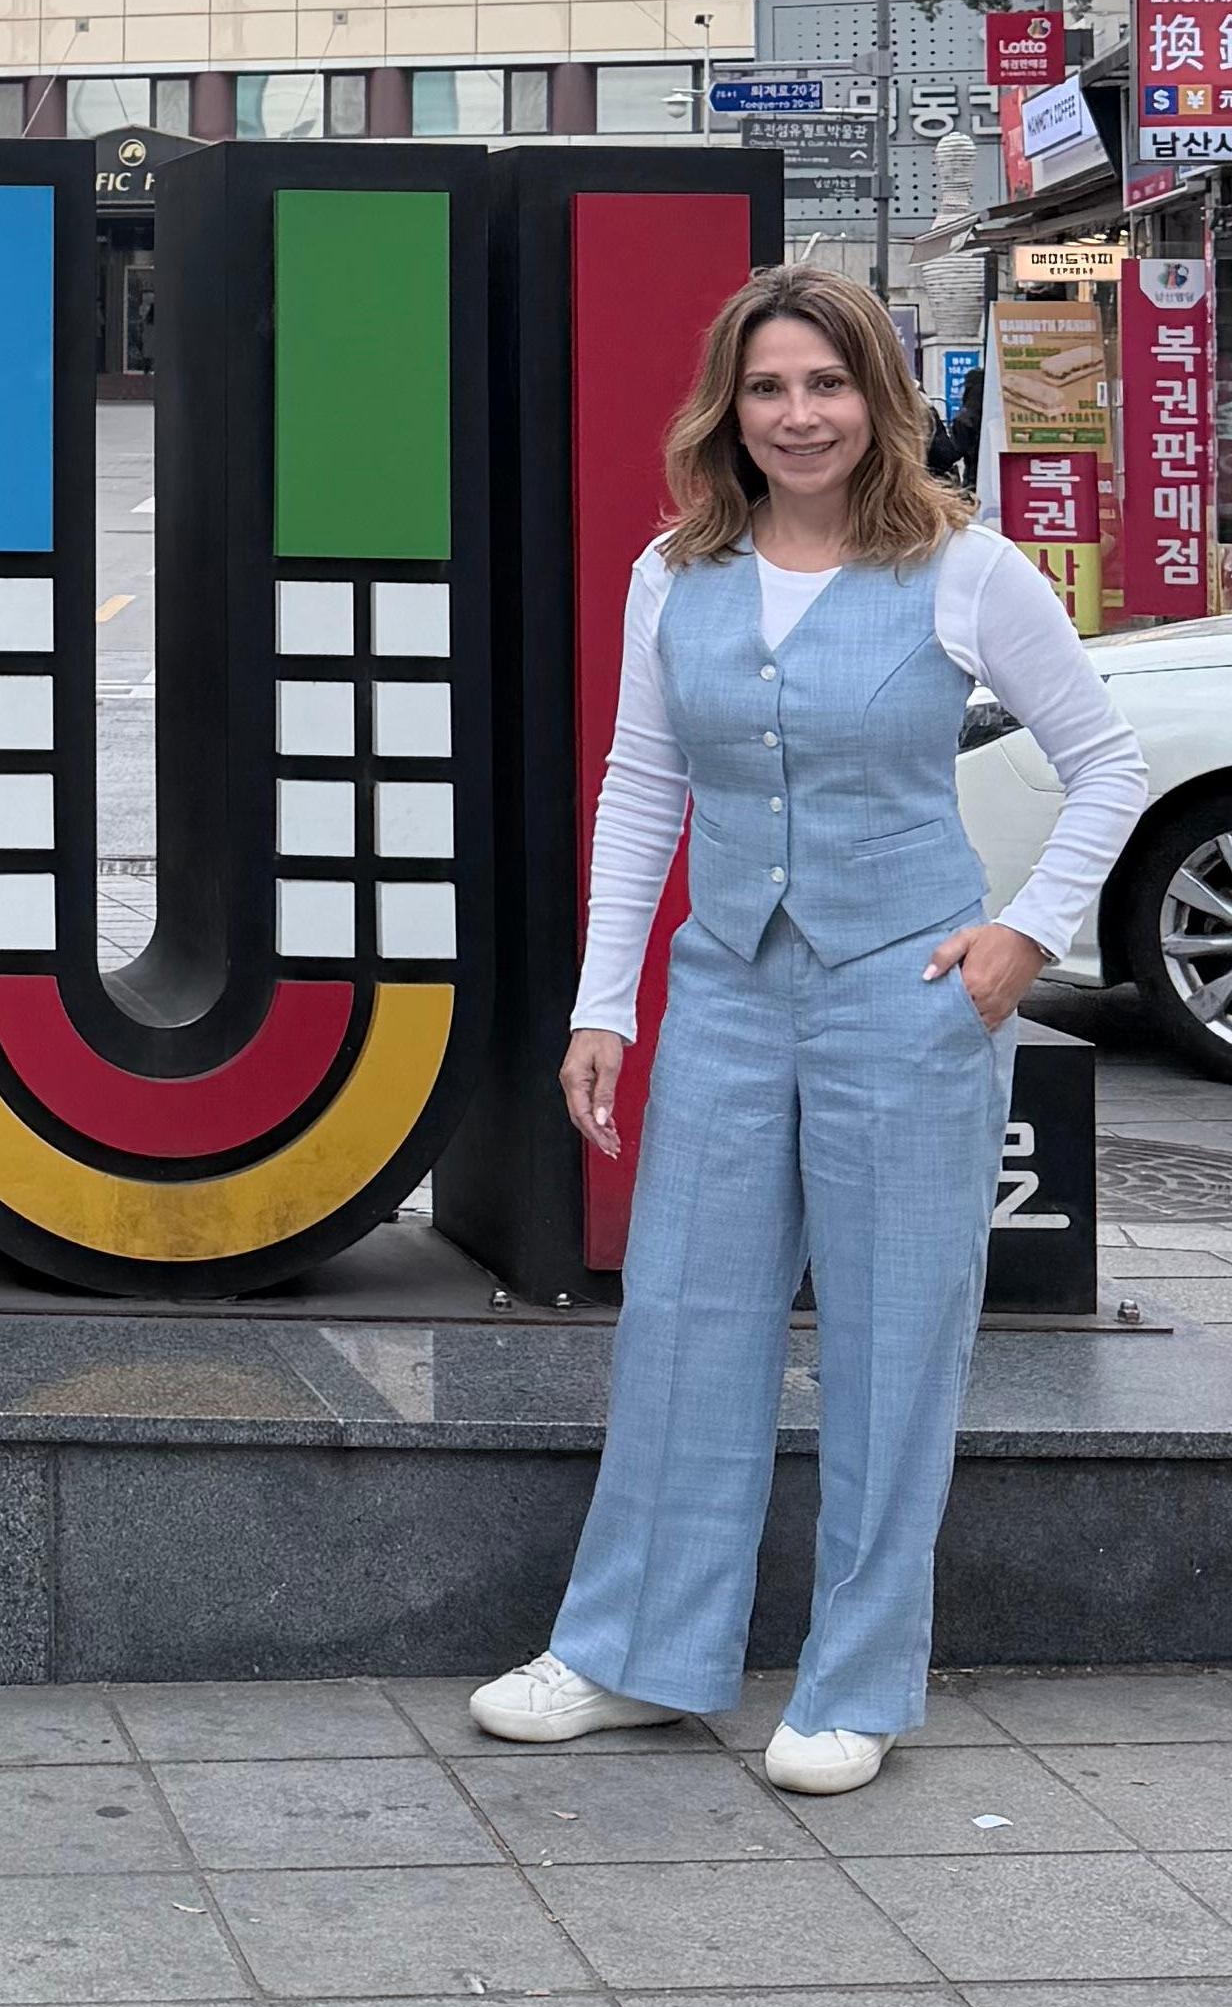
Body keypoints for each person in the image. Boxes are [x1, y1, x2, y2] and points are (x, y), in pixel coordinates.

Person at [471, 265, 1150, 1794]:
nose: (799, 416)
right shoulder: (676, 572)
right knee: (682, 1321)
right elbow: (643, 787)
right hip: (725, 991)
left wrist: (1026, 935)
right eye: (769, 387)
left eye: (828, 385)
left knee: (894, 1339)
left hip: (909, 999)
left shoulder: (967, 571)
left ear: (878, 400)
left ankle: (856, 1685)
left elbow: (1108, 763)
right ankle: (633, 1655)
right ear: (729, 408)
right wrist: (605, 1003)